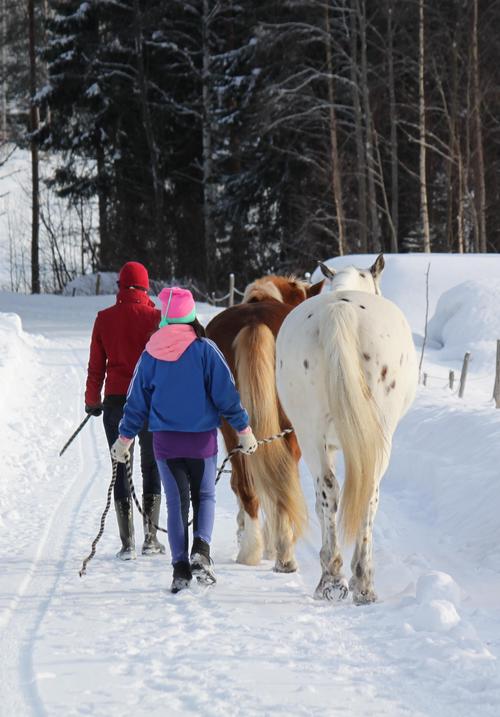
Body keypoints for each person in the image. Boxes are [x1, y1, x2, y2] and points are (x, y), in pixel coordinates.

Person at [110, 286, 258, 593]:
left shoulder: (150, 353)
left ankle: (180, 569)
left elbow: (136, 402)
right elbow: (227, 395)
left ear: (164, 316)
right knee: (204, 496)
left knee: (176, 502)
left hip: (165, 443)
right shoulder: (205, 349)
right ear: (190, 314)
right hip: (201, 442)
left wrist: (124, 439)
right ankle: (200, 553)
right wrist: (243, 430)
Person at [85, 261, 165, 560]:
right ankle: (151, 539)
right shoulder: (157, 317)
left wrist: (93, 400)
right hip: (151, 401)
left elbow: (96, 366)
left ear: (120, 286)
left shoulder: (104, 319)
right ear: (146, 286)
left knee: (120, 466)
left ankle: (127, 543)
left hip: (117, 402)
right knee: (152, 466)